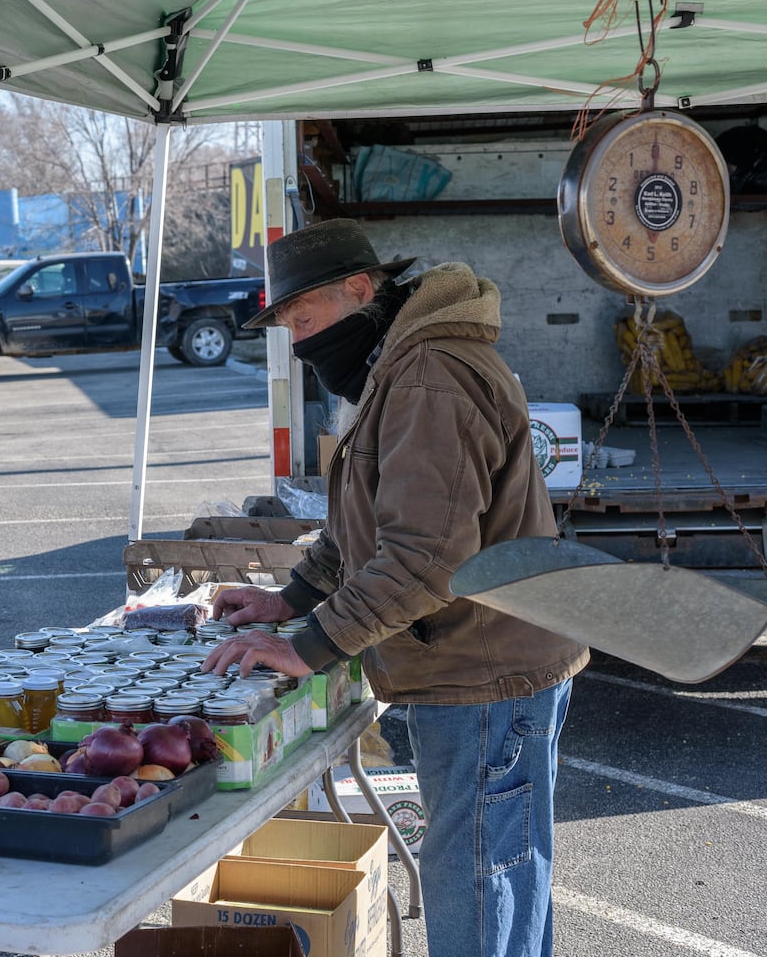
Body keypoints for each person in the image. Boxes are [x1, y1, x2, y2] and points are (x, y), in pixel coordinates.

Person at [203, 219, 589, 957]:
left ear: (358, 291)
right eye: (287, 326)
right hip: (485, 662)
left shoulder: (427, 378)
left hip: (484, 672)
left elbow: (425, 558)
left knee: (479, 883)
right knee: (504, 872)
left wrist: (310, 647)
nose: (300, 341)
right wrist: (292, 600)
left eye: (304, 320)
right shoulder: (400, 365)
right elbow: (370, 523)